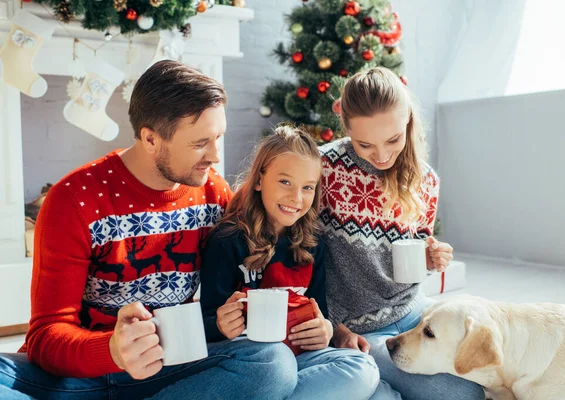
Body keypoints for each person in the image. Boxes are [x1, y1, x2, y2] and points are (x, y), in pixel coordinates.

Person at [0, 60, 297, 400]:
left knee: (273, 364)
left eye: (219, 138)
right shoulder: (74, 199)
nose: (215, 155)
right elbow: (45, 337)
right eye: (200, 143)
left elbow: (262, 269)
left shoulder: (214, 194)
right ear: (151, 139)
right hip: (80, 377)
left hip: (170, 372)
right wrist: (112, 350)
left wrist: (313, 319)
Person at [319, 67, 485, 400]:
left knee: (484, 378)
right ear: (345, 127)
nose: (381, 155)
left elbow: (412, 255)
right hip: (354, 327)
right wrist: (331, 328)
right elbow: (298, 255)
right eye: (365, 144)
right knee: (457, 395)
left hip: (413, 310)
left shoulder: (426, 180)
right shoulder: (324, 168)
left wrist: (430, 258)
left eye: (393, 140)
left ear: (407, 119)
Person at [200, 125, 380, 400]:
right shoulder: (227, 241)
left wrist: (326, 330)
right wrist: (219, 325)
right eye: (285, 182)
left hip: (299, 358)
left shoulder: (313, 243)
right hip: (253, 364)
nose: (297, 198)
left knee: (364, 370)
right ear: (259, 180)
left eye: (307, 187)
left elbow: (319, 310)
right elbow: (206, 324)